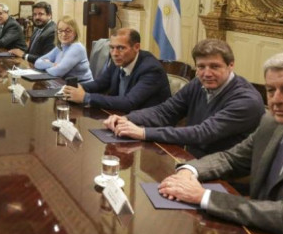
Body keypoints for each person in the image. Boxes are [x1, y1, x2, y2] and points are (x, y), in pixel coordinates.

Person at [157, 51, 283, 234]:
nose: (276, 100)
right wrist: (189, 172)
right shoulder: (272, 123)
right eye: (270, 90)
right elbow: (231, 158)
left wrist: (203, 196)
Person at [103, 39, 265, 157]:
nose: (207, 73)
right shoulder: (198, 83)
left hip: (224, 172)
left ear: (231, 65)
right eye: (201, 67)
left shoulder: (246, 101)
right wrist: (127, 119)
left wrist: (143, 132)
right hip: (190, 160)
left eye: (215, 66)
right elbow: (165, 111)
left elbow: (202, 133)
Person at [62, 28, 170, 112]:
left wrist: (86, 97)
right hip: (122, 118)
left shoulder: (151, 69)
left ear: (136, 47)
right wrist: (78, 88)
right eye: (112, 47)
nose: (114, 53)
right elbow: (100, 84)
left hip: (148, 126)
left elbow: (129, 102)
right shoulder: (119, 59)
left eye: (121, 48)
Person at [33, 16, 93, 83]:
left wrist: (46, 65)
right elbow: (37, 62)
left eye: (68, 31)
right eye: (60, 30)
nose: (64, 34)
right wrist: (52, 65)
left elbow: (58, 72)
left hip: (82, 88)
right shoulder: (60, 47)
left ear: (75, 32)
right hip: (64, 84)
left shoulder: (77, 47)